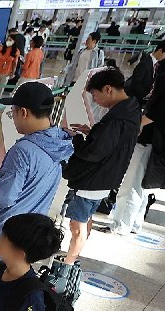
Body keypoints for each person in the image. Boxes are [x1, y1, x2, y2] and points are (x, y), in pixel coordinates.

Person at [0, 82, 74, 289]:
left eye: (13, 113)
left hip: (4, 234)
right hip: (30, 232)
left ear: (23, 112)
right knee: (12, 281)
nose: (13, 118)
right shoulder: (58, 141)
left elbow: (3, 198)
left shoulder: (23, 150)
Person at [59, 68, 140, 271]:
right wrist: (94, 131)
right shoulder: (130, 109)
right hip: (106, 179)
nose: (94, 100)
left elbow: (94, 152)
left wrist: (77, 139)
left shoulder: (116, 119)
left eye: (95, 95)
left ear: (108, 89)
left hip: (93, 181)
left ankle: (68, 265)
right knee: (86, 219)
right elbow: (112, 143)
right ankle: (74, 255)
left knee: (76, 226)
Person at [107, 45, 165, 236]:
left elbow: (157, 109)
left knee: (132, 181)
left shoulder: (162, 73)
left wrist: (138, 123)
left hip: (148, 136)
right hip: (156, 140)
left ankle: (121, 224)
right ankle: (134, 223)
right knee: (142, 183)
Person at [124, 41, 162, 107]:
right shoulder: (145, 63)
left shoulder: (156, 64)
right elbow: (136, 81)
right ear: (160, 51)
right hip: (135, 100)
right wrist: (144, 96)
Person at [0, 37, 20, 106]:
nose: (8, 41)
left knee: (0, 89)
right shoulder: (1, 47)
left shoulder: (16, 51)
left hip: (7, 73)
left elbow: (15, 63)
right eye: (7, 39)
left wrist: (13, 72)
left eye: (10, 40)